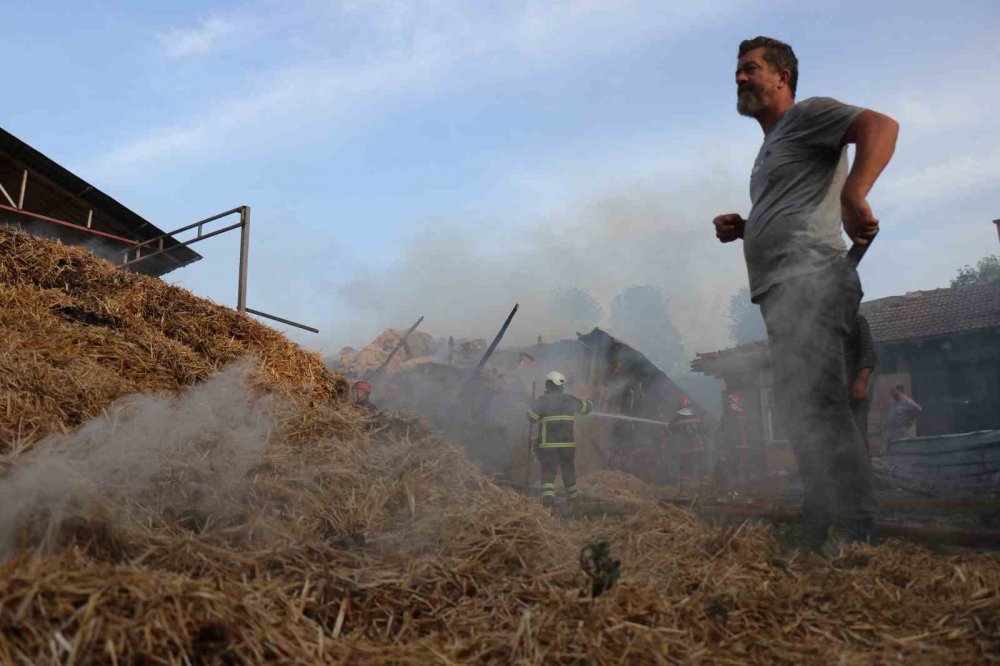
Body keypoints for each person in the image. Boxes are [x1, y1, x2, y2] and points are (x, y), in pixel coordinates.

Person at [712, 36, 899, 549]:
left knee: (822, 407)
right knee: (801, 410)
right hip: (782, 291)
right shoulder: (768, 150)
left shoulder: (807, 115)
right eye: (738, 71)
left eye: (750, 69)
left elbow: (881, 126)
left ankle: (856, 532)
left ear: (783, 76)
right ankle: (820, 523)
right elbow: (791, 213)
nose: (740, 78)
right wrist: (747, 227)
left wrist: (854, 193)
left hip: (813, 279)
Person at [527, 371, 593, 507]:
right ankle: (573, 498)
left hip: (548, 446)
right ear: (561, 386)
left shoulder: (542, 401)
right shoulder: (570, 400)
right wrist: (590, 403)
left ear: (548, 385)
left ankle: (547, 501)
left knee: (548, 471)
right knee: (568, 469)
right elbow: (587, 408)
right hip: (567, 446)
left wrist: (530, 407)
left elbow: (531, 418)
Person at [845, 313, 878, 450]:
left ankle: (861, 469)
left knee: (857, 438)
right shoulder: (820, 324)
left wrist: (861, 381)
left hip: (854, 392)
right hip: (832, 393)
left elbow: (868, 354)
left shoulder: (855, 319)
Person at [668, 395, 710, 486]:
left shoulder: (677, 420)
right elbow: (704, 431)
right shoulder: (697, 417)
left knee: (685, 471)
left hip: (686, 449)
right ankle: (705, 489)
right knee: (703, 470)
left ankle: (684, 492)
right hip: (700, 447)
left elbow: (670, 429)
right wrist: (706, 445)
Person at [715, 392, 750, 491]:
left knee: (734, 466)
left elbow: (724, 433)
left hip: (734, 446)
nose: (727, 405)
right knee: (740, 466)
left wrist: (722, 449)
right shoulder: (744, 415)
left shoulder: (727, 417)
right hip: (743, 445)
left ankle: (736, 487)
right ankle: (740, 487)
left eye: (729, 403)